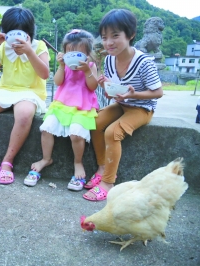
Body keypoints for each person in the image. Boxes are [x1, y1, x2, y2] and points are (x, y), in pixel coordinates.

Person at [83, 9, 163, 201]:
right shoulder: (110, 59)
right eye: (104, 37)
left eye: (115, 36)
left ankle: (108, 183)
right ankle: (102, 168)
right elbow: (113, 91)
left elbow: (158, 92)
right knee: (94, 121)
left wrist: (135, 94)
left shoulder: (144, 62)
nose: (108, 42)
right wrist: (105, 85)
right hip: (122, 103)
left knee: (112, 132)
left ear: (131, 35)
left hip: (142, 108)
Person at [0, 7, 50, 185]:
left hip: (30, 92)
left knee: (24, 113)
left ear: (29, 32)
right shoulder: (3, 47)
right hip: (6, 90)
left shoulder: (39, 46)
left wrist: (29, 52)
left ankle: (7, 162)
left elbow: (45, 74)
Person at [24, 29, 99, 188]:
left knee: (76, 133)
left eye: (78, 52)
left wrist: (86, 71)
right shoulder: (64, 66)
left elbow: (92, 86)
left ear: (87, 53)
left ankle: (78, 163)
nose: (73, 55)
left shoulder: (90, 66)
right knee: (47, 128)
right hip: (61, 104)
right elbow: (58, 82)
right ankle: (46, 158)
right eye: (69, 51)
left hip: (82, 106)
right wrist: (60, 65)